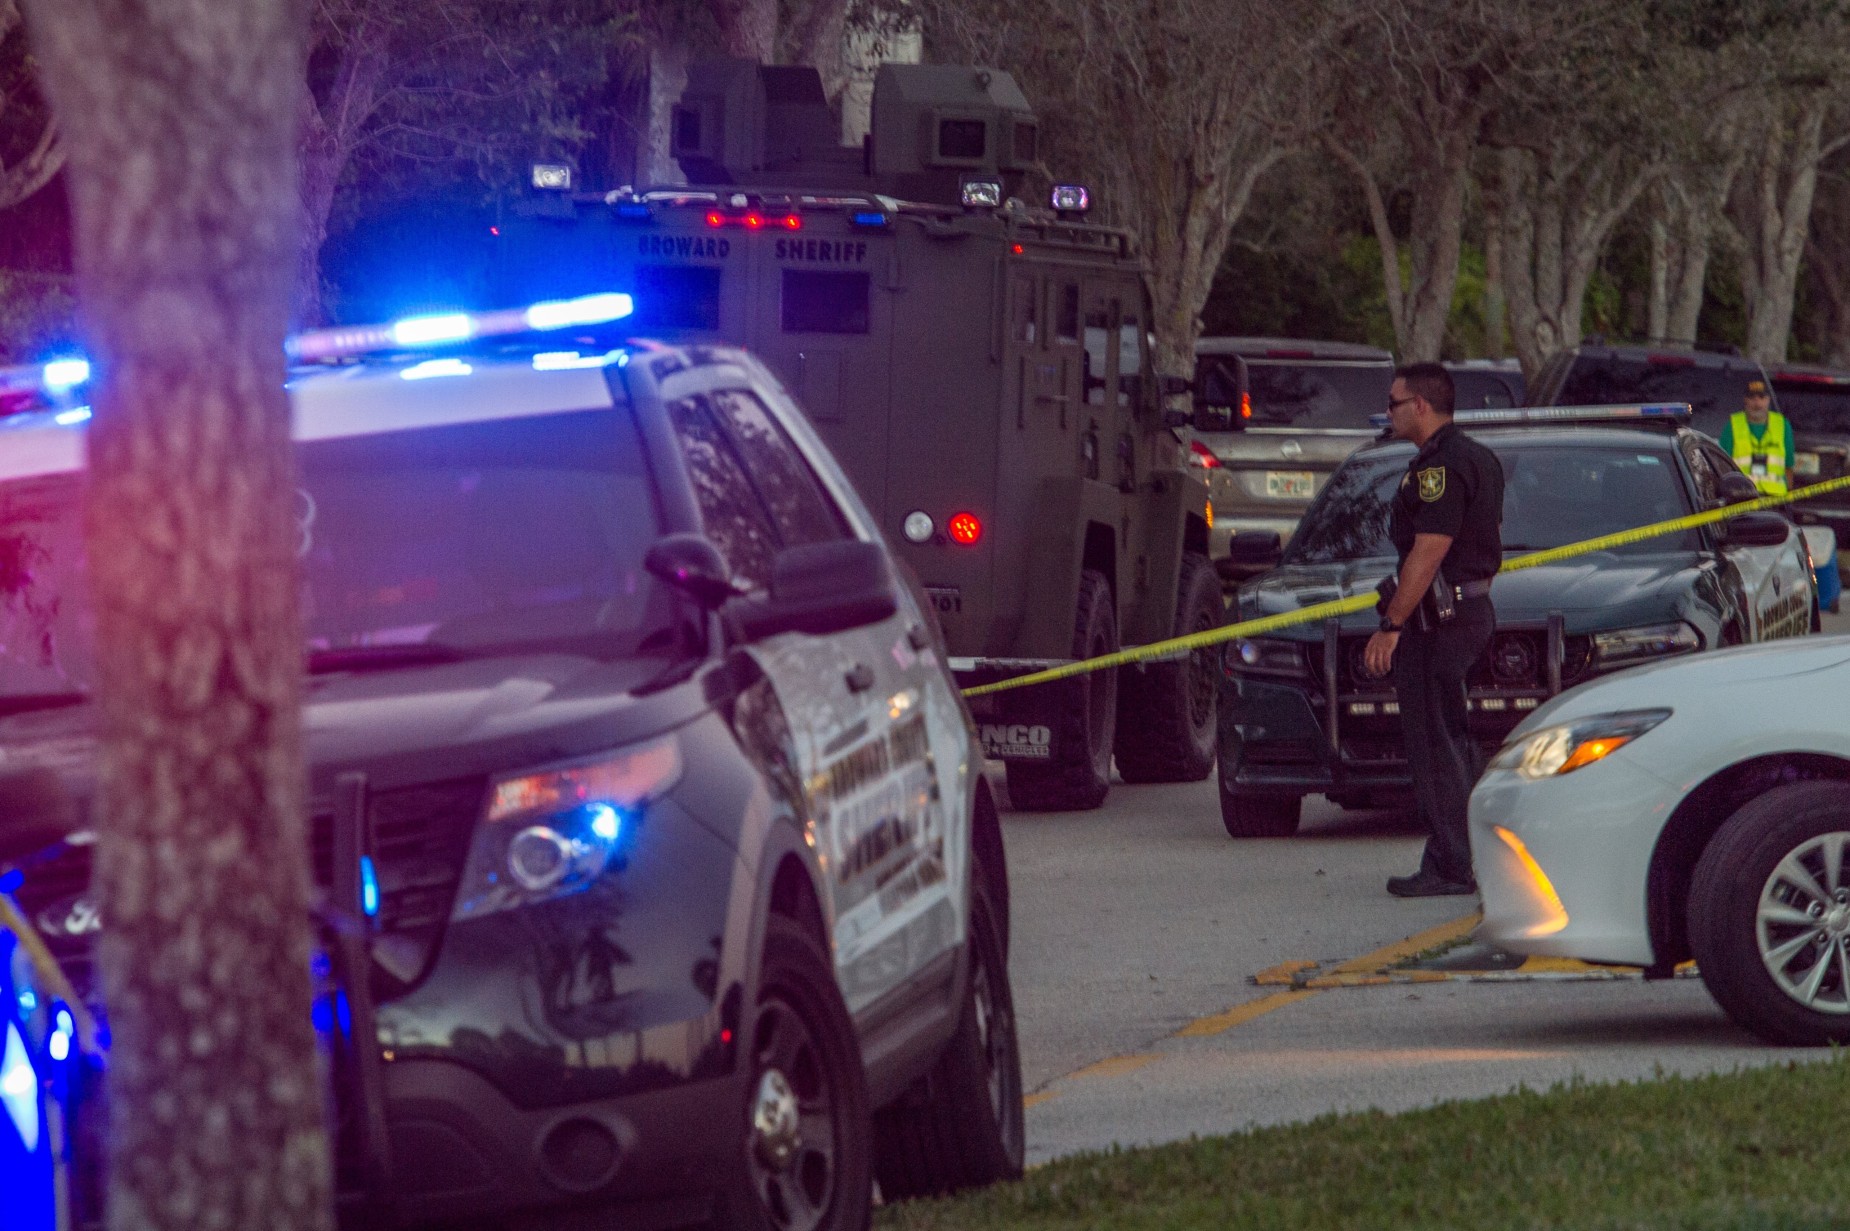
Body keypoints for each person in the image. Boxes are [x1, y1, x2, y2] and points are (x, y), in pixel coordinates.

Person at [1363, 363, 1504, 897]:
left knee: (1434, 743)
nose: (1388, 411)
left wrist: (1392, 623)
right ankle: (1466, 853)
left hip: (1438, 622)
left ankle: (1450, 866)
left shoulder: (1440, 467)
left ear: (1420, 405)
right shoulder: (1478, 457)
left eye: (1394, 403)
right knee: (1457, 742)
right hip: (1467, 612)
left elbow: (1430, 549)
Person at [1719, 378, 1794, 497]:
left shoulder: (1782, 425)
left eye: (1761, 397)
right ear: (1745, 400)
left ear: (1768, 400)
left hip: (1775, 499)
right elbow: (1721, 465)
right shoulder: (1733, 425)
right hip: (1741, 497)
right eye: (1752, 397)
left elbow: (1789, 466)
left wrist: (1789, 498)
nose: (1757, 402)